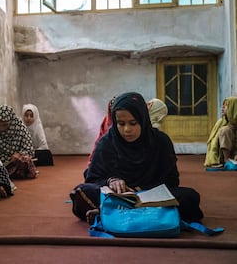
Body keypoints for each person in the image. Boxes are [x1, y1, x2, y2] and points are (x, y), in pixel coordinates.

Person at [70, 91, 204, 224]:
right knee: (82, 190)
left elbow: (171, 181)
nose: (127, 129)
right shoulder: (107, 143)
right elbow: (93, 179)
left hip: (151, 195)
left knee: (189, 197)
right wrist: (112, 181)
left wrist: (141, 189)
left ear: (143, 119)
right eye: (121, 124)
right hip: (117, 196)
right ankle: (142, 214)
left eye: (133, 123)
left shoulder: (161, 142)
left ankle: (110, 213)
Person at [0, 104, 38, 179]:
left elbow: (29, 149)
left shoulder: (21, 129)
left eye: (5, 125)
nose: (1, 128)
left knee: (25, 161)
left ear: (11, 121)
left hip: (16, 160)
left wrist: (19, 154)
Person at [204, 96, 237, 168]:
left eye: (225, 107)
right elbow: (213, 142)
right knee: (225, 130)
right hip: (229, 155)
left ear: (233, 108)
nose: (222, 108)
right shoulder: (221, 122)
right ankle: (227, 160)